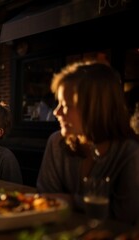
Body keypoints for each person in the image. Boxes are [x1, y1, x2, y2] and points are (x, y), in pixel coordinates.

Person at [36, 61, 139, 225]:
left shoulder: (129, 152)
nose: (56, 112)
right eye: (58, 104)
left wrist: (70, 200)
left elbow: (125, 215)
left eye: (67, 105)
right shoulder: (57, 142)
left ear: (96, 108)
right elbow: (46, 199)